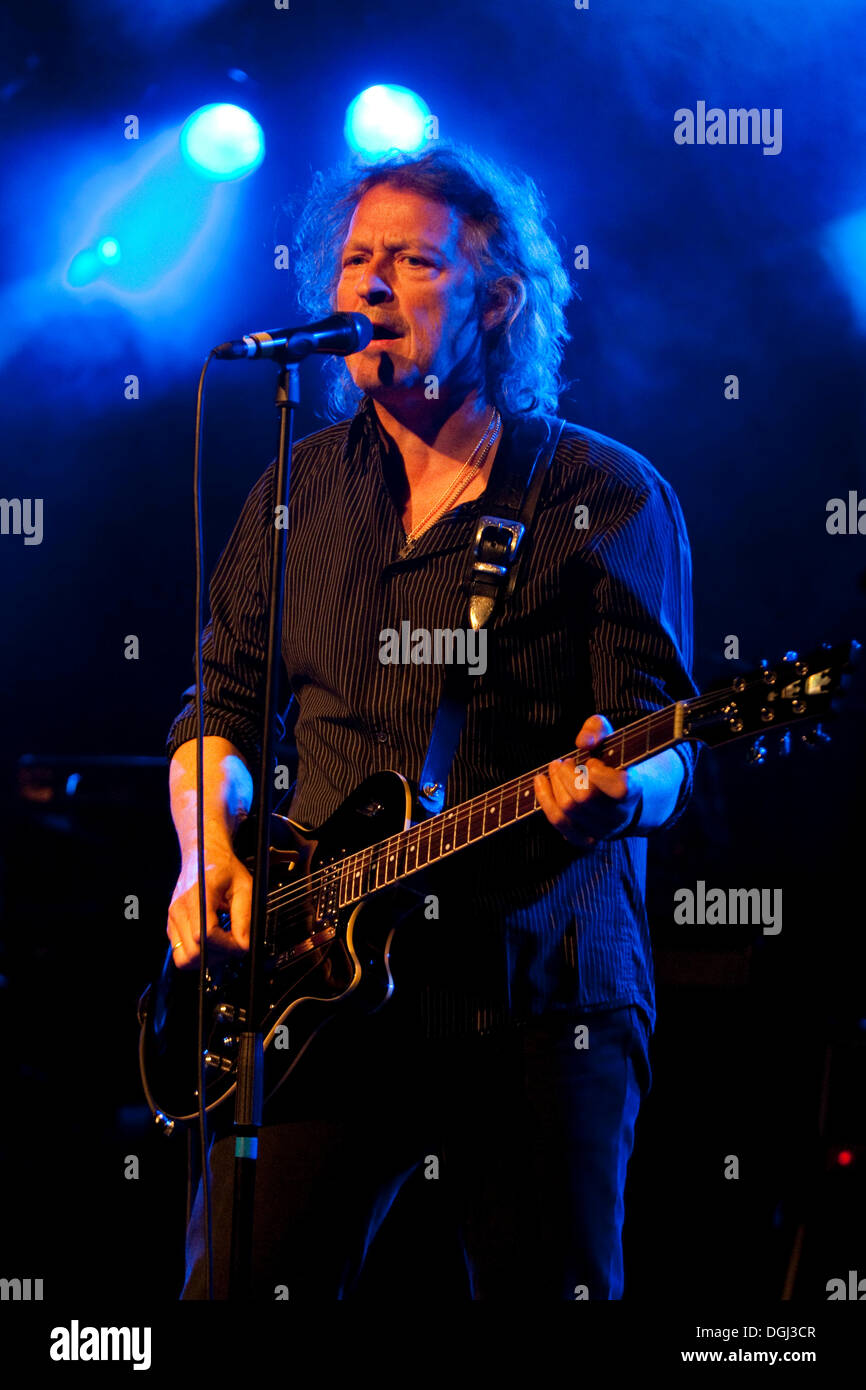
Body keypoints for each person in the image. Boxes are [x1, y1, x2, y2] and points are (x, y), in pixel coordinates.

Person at [164, 142, 698, 1300]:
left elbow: (665, 741)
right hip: (314, 990)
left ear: (493, 301)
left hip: (531, 990)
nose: (366, 286)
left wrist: (620, 790)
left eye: (410, 263)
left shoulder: (601, 493)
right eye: (354, 259)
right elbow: (222, 708)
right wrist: (205, 854)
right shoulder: (292, 491)